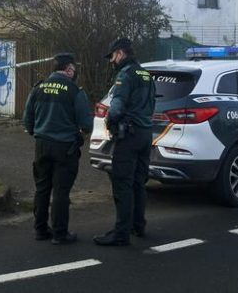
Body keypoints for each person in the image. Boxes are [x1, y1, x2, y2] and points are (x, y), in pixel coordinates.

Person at [23, 53, 93, 245]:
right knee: (61, 191)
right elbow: (86, 124)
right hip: (65, 148)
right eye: (74, 68)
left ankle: (40, 230)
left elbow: (27, 120)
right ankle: (60, 234)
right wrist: (79, 135)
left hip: (42, 146)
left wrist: (37, 132)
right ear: (69, 69)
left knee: (42, 188)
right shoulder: (75, 91)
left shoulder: (38, 88)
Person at [93, 37, 155, 246]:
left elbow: (117, 106)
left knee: (122, 183)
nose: (111, 61)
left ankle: (121, 234)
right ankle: (139, 225)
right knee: (139, 183)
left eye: (112, 56)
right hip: (146, 135)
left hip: (129, 136)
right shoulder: (146, 74)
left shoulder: (125, 75)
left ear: (120, 53)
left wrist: (110, 122)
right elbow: (152, 104)